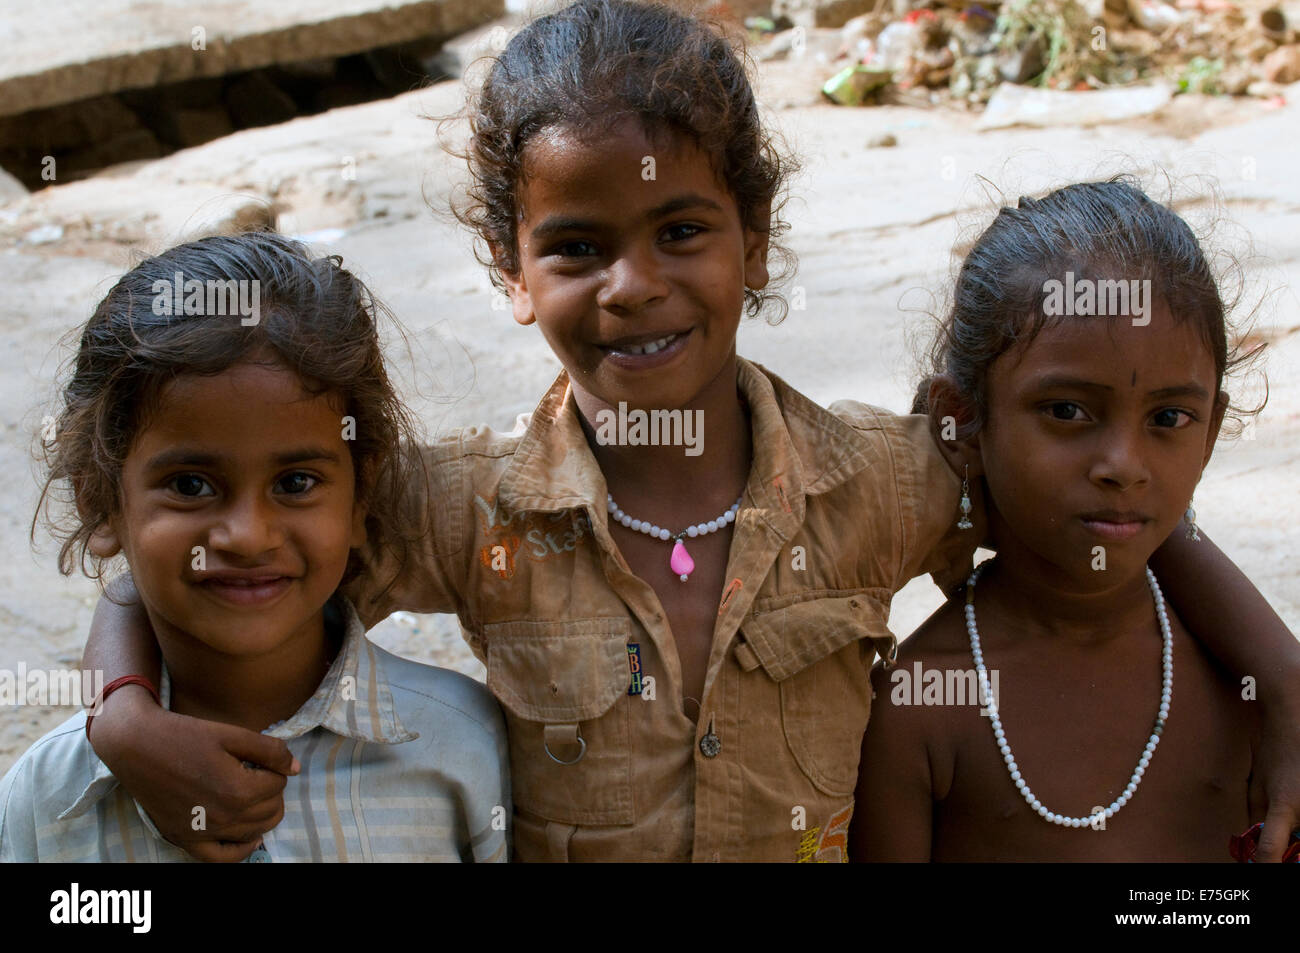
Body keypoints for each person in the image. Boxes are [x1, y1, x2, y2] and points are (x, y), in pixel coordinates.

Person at [79, 2, 1300, 862]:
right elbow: (232, 549)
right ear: (510, 271)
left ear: (754, 245)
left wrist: (1281, 679)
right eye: (574, 246)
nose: (631, 284)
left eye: (680, 230)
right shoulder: (466, 509)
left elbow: (1110, 508)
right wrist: (122, 716)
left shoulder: (879, 481)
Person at [1, 233, 509, 862]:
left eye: (295, 483)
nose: (247, 535)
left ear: (360, 498)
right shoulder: (50, 800)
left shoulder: (459, 749)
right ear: (100, 501)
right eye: (190, 485)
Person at [851, 180, 1265, 861]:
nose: (1124, 465)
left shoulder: (1247, 684)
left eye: (1169, 418)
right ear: (960, 421)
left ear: (1212, 429)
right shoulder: (921, 705)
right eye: (1067, 411)